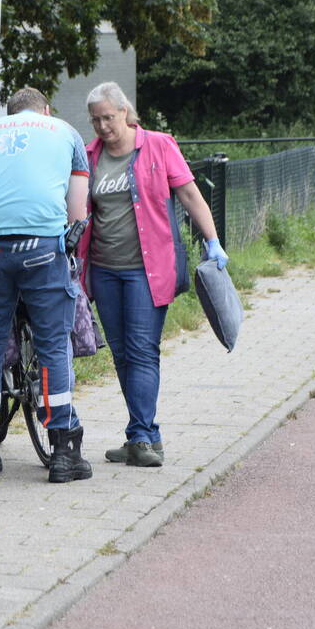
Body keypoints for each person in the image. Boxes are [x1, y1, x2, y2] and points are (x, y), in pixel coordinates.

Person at [77, 82, 228, 468]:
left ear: (124, 112)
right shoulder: (89, 156)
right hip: (104, 269)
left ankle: (141, 436)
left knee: (142, 350)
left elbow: (190, 195)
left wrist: (212, 240)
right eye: (95, 120)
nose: (103, 127)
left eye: (108, 118)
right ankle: (145, 435)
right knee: (122, 354)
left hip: (148, 270)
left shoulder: (159, 146)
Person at [0, 87, 93, 484]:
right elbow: (77, 211)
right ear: (46, 110)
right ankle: (64, 452)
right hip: (40, 248)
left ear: (10, 114)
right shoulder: (65, 132)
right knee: (52, 344)